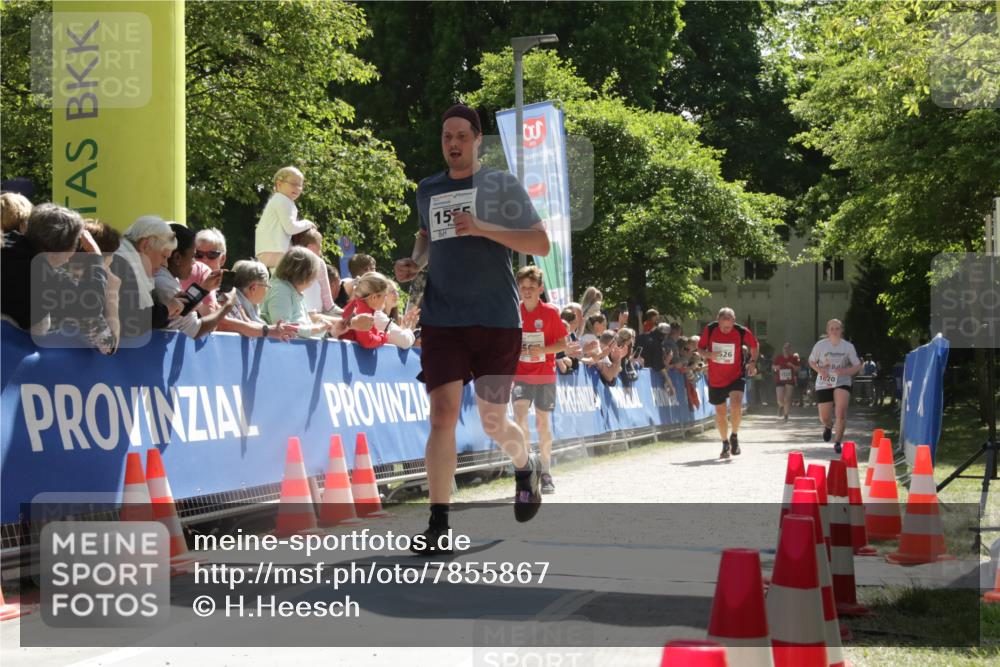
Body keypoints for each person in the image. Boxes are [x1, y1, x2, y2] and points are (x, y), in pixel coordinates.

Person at [394, 103, 550, 552]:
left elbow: (539, 241)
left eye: (462, 136)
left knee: (492, 421)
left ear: (478, 140)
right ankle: (439, 525)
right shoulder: (428, 189)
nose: (454, 144)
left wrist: (483, 227)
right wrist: (413, 264)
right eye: (447, 137)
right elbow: (425, 237)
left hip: (496, 318)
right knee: (441, 414)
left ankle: (526, 466)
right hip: (442, 317)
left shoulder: (500, 185)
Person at [1, 203, 109, 337]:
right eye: (76, 244)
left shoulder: (8, 240)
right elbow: (91, 306)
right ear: (60, 250)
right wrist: (96, 257)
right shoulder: (43, 277)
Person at [512, 266, 568, 495]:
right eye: (523, 288)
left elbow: (563, 344)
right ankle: (527, 468)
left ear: (540, 289)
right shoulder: (514, 311)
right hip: (521, 374)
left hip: (545, 374)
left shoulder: (551, 313)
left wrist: (541, 349)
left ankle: (545, 471)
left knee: (542, 424)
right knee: (519, 417)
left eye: (531, 288)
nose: (526, 292)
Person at [262, 247, 370, 338]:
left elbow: (305, 329)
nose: (313, 280)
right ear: (304, 273)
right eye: (313, 275)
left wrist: (332, 332)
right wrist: (318, 327)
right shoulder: (280, 289)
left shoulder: (293, 291)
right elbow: (284, 329)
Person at [154, 224, 235, 338]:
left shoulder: (168, 278)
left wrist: (204, 288)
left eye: (212, 254)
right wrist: (227, 307)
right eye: (194, 255)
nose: (195, 262)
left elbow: (183, 309)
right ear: (177, 257)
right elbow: (195, 330)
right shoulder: (163, 283)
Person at [698, 307, 759, 458]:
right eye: (724, 326)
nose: (726, 329)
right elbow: (700, 348)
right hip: (716, 377)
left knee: (736, 404)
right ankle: (725, 442)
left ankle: (735, 436)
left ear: (734, 321)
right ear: (718, 320)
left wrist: (752, 362)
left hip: (735, 375)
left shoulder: (741, 331)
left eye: (729, 326)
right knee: (721, 412)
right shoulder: (710, 329)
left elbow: (754, 345)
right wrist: (709, 354)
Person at [111, 216, 181, 341]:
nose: (165, 264)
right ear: (145, 245)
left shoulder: (121, 259)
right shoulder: (120, 265)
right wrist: (166, 310)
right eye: (163, 256)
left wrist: (166, 310)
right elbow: (131, 321)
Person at [808, 319, 863, 454]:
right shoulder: (820, 345)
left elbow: (857, 365)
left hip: (842, 381)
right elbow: (811, 361)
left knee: (841, 412)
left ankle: (838, 442)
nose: (834, 331)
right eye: (832, 328)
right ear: (827, 331)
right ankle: (828, 425)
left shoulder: (848, 347)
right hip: (824, 381)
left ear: (841, 330)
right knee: (824, 417)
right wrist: (821, 371)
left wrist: (845, 371)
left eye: (837, 328)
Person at [218, 259, 298, 341]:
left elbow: (248, 324)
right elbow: (225, 324)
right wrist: (269, 330)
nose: (267, 290)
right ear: (253, 288)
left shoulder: (237, 302)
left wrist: (272, 329)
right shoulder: (227, 299)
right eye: (267, 286)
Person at [254, 166, 315, 268]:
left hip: (268, 250)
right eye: (294, 184)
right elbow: (290, 227)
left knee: (278, 280)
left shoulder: (280, 200)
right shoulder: (282, 200)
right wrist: (307, 223)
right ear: (279, 184)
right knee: (297, 270)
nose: (298, 188)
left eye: (300, 185)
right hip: (275, 250)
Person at [338, 271, 392, 349]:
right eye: (385, 296)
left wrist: (379, 334)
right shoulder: (363, 310)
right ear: (374, 297)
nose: (385, 299)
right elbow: (367, 341)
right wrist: (383, 337)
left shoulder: (359, 304)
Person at [290, 227, 335, 314]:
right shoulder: (319, 263)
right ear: (310, 247)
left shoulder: (291, 262)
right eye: (320, 248)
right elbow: (328, 304)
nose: (320, 253)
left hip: (296, 315)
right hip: (316, 316)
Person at [772, 342, 800, 422]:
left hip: (789, 380)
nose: (786, 349)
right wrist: (776, 367)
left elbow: (798, 368)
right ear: (782, 349)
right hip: (779, 380)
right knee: (780, 399)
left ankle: (786, 414)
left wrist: (792, 365)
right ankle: (781, 406)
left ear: (790, 349)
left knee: (787, 398)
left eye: (788, 348)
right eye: (785, 348)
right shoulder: (778, 357)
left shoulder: (793, 358)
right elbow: (773, 366)